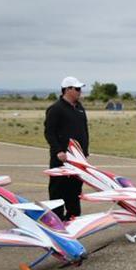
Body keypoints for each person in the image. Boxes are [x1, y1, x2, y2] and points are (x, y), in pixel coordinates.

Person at [44, 76, 89, 220]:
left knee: (75, 189)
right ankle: (56, 219)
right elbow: (49, 132)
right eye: (76, 89)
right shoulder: (55, 109)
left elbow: (84, 130)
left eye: (80, 89)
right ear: (67, 90)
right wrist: (58, 151)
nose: (79, 91)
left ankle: (73, 217)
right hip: (61, 158)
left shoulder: (79, 108)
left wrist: (85, 151)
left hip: (78, 158)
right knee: (58, 189)